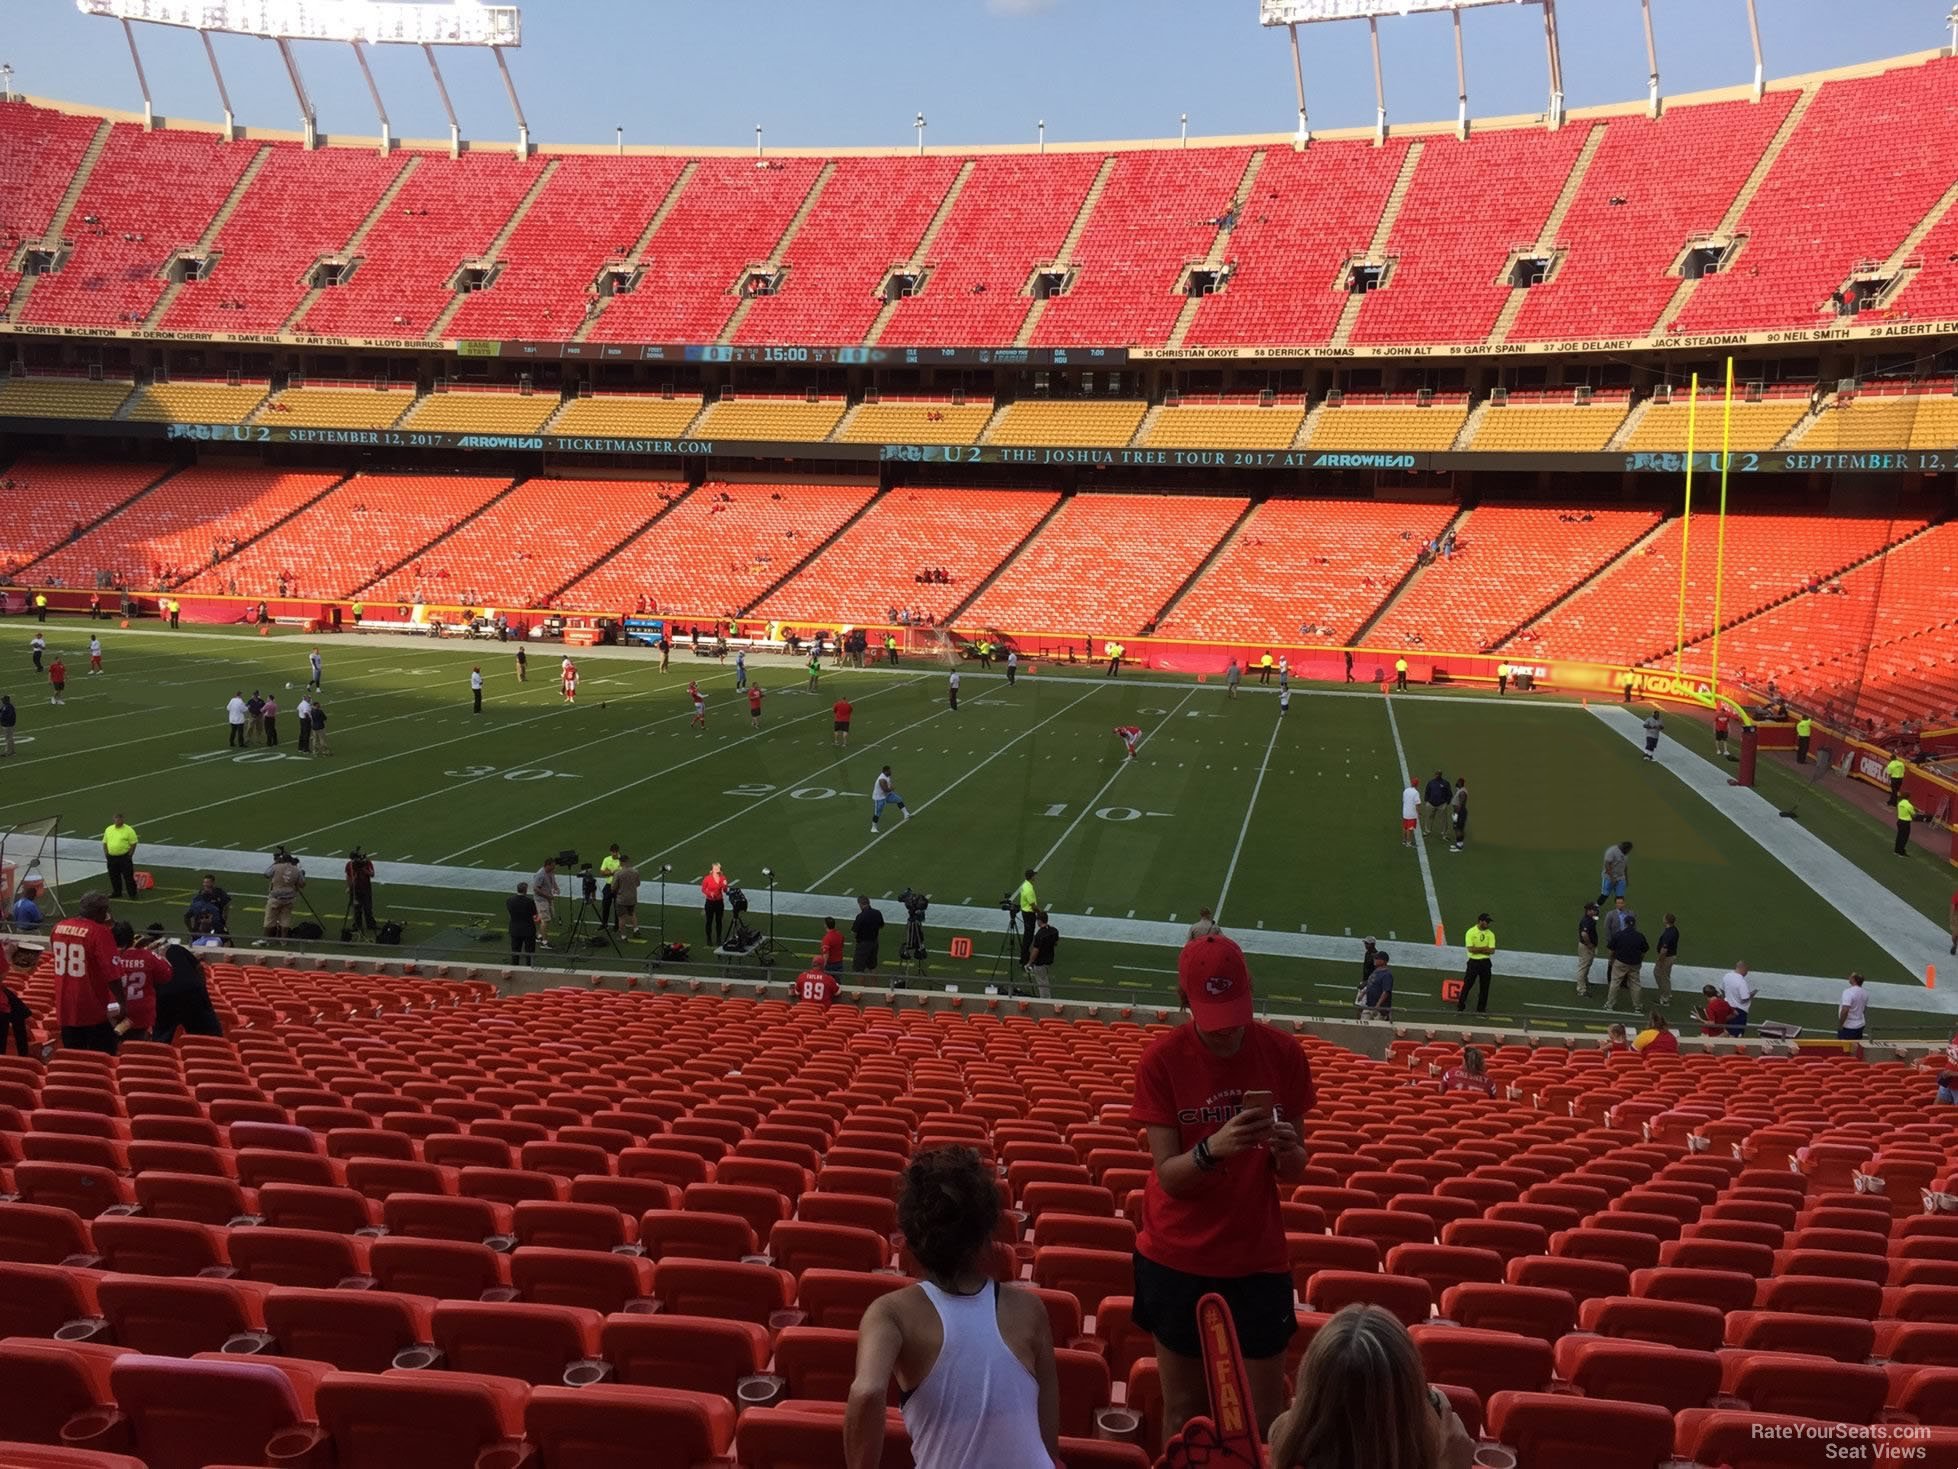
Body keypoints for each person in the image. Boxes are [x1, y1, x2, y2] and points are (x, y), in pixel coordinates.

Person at [1130, 934, 1312, 1440]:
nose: (1229, 1031)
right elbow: (1169, 1177)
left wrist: (1287, 1152)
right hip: (1177, 1257)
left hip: (1255, 1257)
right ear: (1185, 1001)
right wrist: (1216, 1148)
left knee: (1263, 1418)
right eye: (1215, 1016)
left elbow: (1295, 1167)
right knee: (1184, 1411)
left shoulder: (1283, 1053)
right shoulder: (1162, 1061)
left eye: (1236, 1011)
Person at [845, 1147, 1059, 1469]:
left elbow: (867, 1393)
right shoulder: (1031, 1310)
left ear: (911, 1234)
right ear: (987, 1230)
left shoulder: (889, 1313)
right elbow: (1048, 1442)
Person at [51, 892, 120, 1053]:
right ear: (101, 911)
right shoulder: (99, 932)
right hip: (92, 1007)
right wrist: (122, 1002)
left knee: (74, 1057)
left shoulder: (58, 927)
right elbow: (113, 973)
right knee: (102, 1059)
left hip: (65, 1005)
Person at [108, 920, 168, 1040]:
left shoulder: (106, 956)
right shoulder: (147, 956)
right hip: (141, 1013)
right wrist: (162, 954)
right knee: (138, 1050)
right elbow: (166, 975)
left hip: (112, 1011)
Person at [1605, 914, 1648, 1011]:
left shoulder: (1619, 934)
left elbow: (1611, 949)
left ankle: (1609, 1005)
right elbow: (1644, 950)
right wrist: (1640, 960)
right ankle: (1637, 1007)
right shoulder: (1640, 936)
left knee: (1615, 983)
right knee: (1635, 984)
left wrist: (1611, 960)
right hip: (1635, 963)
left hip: (1620, 962)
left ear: (1625, 924)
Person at [1458, 913, 1495, 1014]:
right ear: (1480, 921)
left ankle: (1481, 1009)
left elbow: (1492, 951)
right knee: (1467, 985)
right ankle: (1460, 1006)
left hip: (1486, 963)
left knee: (1485, 987)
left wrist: (1478, 949)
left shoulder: (1490, 934)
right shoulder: (1471, 932)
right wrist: (1484, 948)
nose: (1488, 924)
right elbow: (1470, 949)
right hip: (1473, 963)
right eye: (1486, 922)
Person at [263, 851, 305, 939]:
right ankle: (283, 940)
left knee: (269, 920)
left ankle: (267, 939)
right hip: (289, 898)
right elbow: (302, 884)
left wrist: (275, 862)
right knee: (285, 920)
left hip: (275, 897)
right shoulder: (296, 869)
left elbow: (266, 874)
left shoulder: (276, 866)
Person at [101, 813, 139, 899]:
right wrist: (106, 854)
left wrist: (130, 854)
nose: (118, 821)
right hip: (111, 857)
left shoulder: (129, 830)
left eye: (120, 819)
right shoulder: (109, 829)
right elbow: (105, 842)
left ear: (123, 820)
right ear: (113, 819)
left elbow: (133, 843)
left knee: (128, 876)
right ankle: (117, 892)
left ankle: (132, 893)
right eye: (116, 819)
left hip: (124, 857)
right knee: (114, 876)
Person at [1025, 911, 1058, 999]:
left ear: (1039, 921)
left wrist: (1029, 963)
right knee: (1044, 980)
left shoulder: (1039, 935)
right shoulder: (1054, 931)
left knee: (1042, 983)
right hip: (1049, 959)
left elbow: (1035, 950)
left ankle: (1045, 1001)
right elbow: (1056, 943)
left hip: (1040, 962)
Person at [1719, 962, 1758, 1036]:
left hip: (1728, 1008)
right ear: (1743, 969)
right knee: (1735, 1035)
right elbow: (1745, 998)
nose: (1746, 973)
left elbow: (1721, 988)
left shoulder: (1727, 976)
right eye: (1746, 971)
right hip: (1739, 1012)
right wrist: (1752, 994)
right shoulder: (1741, 981)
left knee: (1726, 1031)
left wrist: (1727, 997)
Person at [345, 850, 376, 936]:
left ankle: (370, 924)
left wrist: (363, 869)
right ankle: (357, 925)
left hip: (365, 888)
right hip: (355, 889)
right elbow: (348, 876)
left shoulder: (367, 863)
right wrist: (349, 886)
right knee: (356, 909)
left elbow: (372, 874)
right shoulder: (350, 865)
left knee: (368, 907)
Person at [507, 881, 538, 965]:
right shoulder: (529, 901)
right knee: (530, 952)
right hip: (528, 929)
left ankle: (515, 967)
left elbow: (510, 913)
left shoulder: (510, 900)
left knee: (515, 951)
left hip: (515, 929)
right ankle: (529, 967)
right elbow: (534, 915)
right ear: (525, 890)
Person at [851, 894, 885, 973]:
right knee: (872, 966)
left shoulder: (860, 916)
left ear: (860, 904)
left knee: (859, 969)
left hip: (863, 943)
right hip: (874, 942)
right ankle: (874, 985)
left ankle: (861, 986)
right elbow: (881, 925)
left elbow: (854, 931)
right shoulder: (877, 913)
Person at [1357, 949, 1393, 1021]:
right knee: (1363, 1026)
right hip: (1369, 1006)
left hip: (1380, 1009)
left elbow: (1386, 992)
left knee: (1377, 1029)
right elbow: (1371, 985)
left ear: (1383, 961)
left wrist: (1377, 1005)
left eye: (1376, 958)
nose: (1374, 960)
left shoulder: (1387, 975)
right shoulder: (1376, 971)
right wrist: (1363, 993)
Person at [872, 766, 910, 835]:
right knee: (878, 813)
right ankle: (873, 827)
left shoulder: (887, 776)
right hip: (880, 797)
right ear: (885, 771)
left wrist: (891, 788)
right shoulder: (881, 779)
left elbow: (889, 784)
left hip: (887, 795)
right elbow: (885, 789)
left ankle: (906, 814)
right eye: (889, 771)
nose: (891, 772)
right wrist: (891, 789)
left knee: (899, 799)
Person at [531, 858, 560, 948]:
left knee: (548, 917)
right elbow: (536, 889)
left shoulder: (550, 872)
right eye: (553, 865)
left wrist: (556, 887)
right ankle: (544, 941)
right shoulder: (540, 874)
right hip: (541, 900)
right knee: (545, 920)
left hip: (548, 899)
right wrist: (548, 896)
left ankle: (538, 935)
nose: (554, 867)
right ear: (548, 865)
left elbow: (553, 880)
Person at [1653, 912, 1679, 1006]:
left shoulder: (1668, 933)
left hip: (1666, 958)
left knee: (1659, 975)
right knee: (1666, 976)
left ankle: (1665, 998)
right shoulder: (1674, 930)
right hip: (1671, 956)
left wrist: (1660, 960)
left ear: (1666, 920)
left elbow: (1664, 950)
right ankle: (1667, 993)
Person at [1013, 867, 1039, 964]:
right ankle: (1024, 958)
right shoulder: (1029, 889)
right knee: (1028, 937)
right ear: (1031, 877)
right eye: (1034, 875)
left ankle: (1025, 956)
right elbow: (1033, 906)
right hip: (1029, 914)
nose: (1035, 877)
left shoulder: (1025, 885)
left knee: (1027, 936)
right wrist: (1040, 913)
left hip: (1025, 912)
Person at [701, 861, 728, 945]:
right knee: (709, 921)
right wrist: (710, 893)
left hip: (719, 902)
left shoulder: (723, 878)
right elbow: (703, 889)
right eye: (715, 868)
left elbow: (725, 890)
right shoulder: (707, 878)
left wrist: (725, 885)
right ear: (712, 869)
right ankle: (709, 939)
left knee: (719, 921)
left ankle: (718, 938)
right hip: (710, 902)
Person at [613, 855, 641, 939]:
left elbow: (613, 887)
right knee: (632, 913)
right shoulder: (635, 872)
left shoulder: (618, 873)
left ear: (621, 862)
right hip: (632, 897)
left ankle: (623, 936)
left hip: (622, 898)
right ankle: (636, 929)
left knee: (621, 918)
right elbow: (638, 884)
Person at [1837, 971, 1870, 1042]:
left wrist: (1840, 1024)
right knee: (1856, 1047)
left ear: (1853, 979)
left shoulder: (1848, 992)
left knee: (1844, 1048)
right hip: (1860, 1025)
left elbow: (1845, 1010)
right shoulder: (1865, 993)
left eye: (1851, 976)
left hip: (1848, 1027)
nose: (1849, 977)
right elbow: (1864, 1010)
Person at [1599, 840, 1633, 905]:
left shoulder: (1625, 853)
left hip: (1620, 877)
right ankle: (1595, 908)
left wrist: (1626, 878)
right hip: (1608, 877)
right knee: (1604, 895)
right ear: (1624, 848)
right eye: (1628, 850)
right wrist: (1612, 878)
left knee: (1620, 898)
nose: (1629, 852)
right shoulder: (1612, 851)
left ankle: (1619, 912)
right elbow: (1607, 865)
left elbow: (1625, 866)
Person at [1422, 771, 1451, 838]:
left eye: (1438, 774)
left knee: (1443, 819)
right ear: (1435, 774)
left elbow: (1449, 793)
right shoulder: (1431, 782)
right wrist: (1427, 801)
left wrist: (1447, 803)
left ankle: (1444, 833)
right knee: (1429, 818)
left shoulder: (1445, 783)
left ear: (1441, 775)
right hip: (1431, 804)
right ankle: (1427, 831)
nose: (1437, 775)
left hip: (1441, 805)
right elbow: (1427, 791)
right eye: (1436, 774)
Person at [1447, 776, 1469, 852]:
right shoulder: (1460, 790)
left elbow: (1461, 804)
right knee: (1456, 828)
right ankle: (1458, 844)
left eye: (1458, 782)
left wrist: (1456, 814)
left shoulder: (1462, 792)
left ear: (1460, 783)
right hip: (1458, 812)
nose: (1457, 783)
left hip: (1460, 812)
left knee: (1459, 828)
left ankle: (1459, 847)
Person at [1399, 779, 1420, 848]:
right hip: (1412, 814)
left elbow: (1403, 800)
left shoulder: (1406, 790)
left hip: (1405, 812)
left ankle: (1404, 840)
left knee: (1405, 827)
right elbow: (1417, 804)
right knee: (1410, 828)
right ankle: (1408, 842)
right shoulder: (1416, 793)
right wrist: (1418, 813)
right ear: (1417, 785)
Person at [0, 693, 15, 757]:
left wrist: (2, 718)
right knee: (9, 738)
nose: (2, 701)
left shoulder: (8, 707)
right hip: (6, 724)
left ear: (6, 700)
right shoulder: (5, 706)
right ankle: (12, 751)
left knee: (8, 738)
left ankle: (8, 752)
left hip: (7, 725)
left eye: (3, 700)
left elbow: (9, 716)